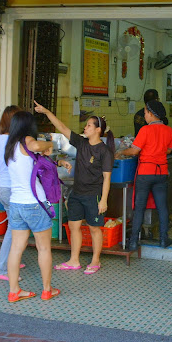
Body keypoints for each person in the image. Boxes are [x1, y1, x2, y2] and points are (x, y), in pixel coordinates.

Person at [34, 102, 114, 275]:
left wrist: (104, 200)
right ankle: (74, 260)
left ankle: (95, 260)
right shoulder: (82, 143)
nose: (85, 128)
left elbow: (107, 178)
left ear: (98, 130)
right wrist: (47, 111)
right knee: (73, 225)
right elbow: (62, 127)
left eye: (88, 125)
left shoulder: (104, 151)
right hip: (77, 192)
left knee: (94, 228)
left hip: (94, 195)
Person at [4, 111, 69, 303]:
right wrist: (50, 145)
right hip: (34, 204)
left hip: (16, 204)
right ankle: (47, 290)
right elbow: (37, 145)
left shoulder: (11, 146)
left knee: (16, 249)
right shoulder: (27, 141)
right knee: (44, 249)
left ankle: (14, 291)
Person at [120, 99, 172, 249]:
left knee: (139, 207)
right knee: (162, 206)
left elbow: (134, 151)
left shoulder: (145, 130)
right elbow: (169, 150)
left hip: (145, 172)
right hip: (161, 172)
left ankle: (133, 242)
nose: (144, 116)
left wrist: (120, 152)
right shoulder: (168, 130)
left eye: (145, 113)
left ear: (151, 114)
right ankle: (164, 239)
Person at [0, 105, 22, 281]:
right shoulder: (15, 141)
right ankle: (2, 269)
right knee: (13, 229)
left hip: (1, 188)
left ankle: (14, 260)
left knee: (16, 226)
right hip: (12, 189)